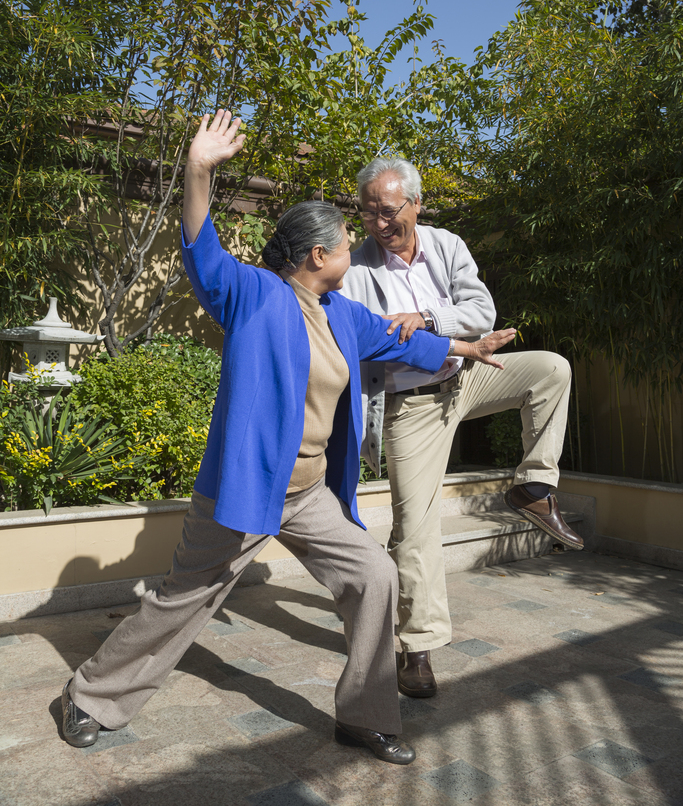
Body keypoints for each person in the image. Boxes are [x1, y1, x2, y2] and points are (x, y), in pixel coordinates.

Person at [60, 112, 516, 764]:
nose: (353, 247)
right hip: (243, 489)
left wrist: (468, 346)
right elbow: (200, 247)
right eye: (341, 242)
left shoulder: (342, 314)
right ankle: (90, 694)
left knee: (373, 577)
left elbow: (401, 336)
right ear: (315, 257)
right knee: (180, 604)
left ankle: (363, 715)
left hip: (306, 494)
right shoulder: (252, 294)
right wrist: (197, 169)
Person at [341, 156, 583, 702]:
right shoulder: (357, 268)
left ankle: (533, 487)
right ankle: (416, 646)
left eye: (387, 211)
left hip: (466, 377)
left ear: (415, 205)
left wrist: (426, 320)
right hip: (411, 405)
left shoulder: (446, 245)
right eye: (368, 213)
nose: (379, 224)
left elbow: (481, 310)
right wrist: (408, 334)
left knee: (551, 369)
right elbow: (362, 337)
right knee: (416, 528)